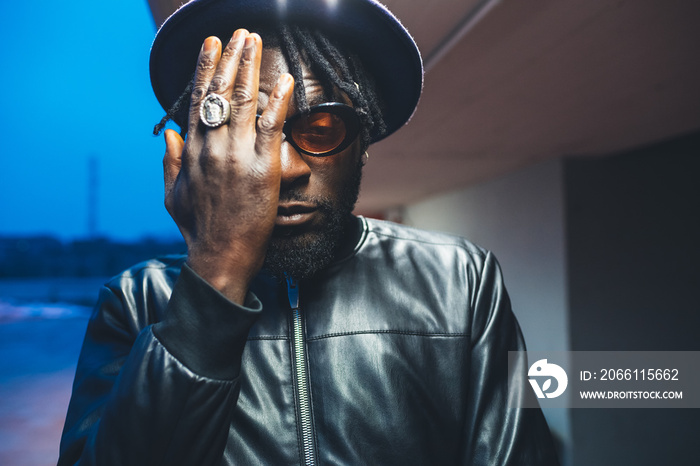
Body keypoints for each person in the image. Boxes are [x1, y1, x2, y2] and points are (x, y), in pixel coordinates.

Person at [59, 0, 559, 464]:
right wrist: (217, 274)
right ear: (203, 150)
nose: (283, 168)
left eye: (321, 129)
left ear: (363, 141)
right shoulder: (135, 301)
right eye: (250, 132)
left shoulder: (461, 280)